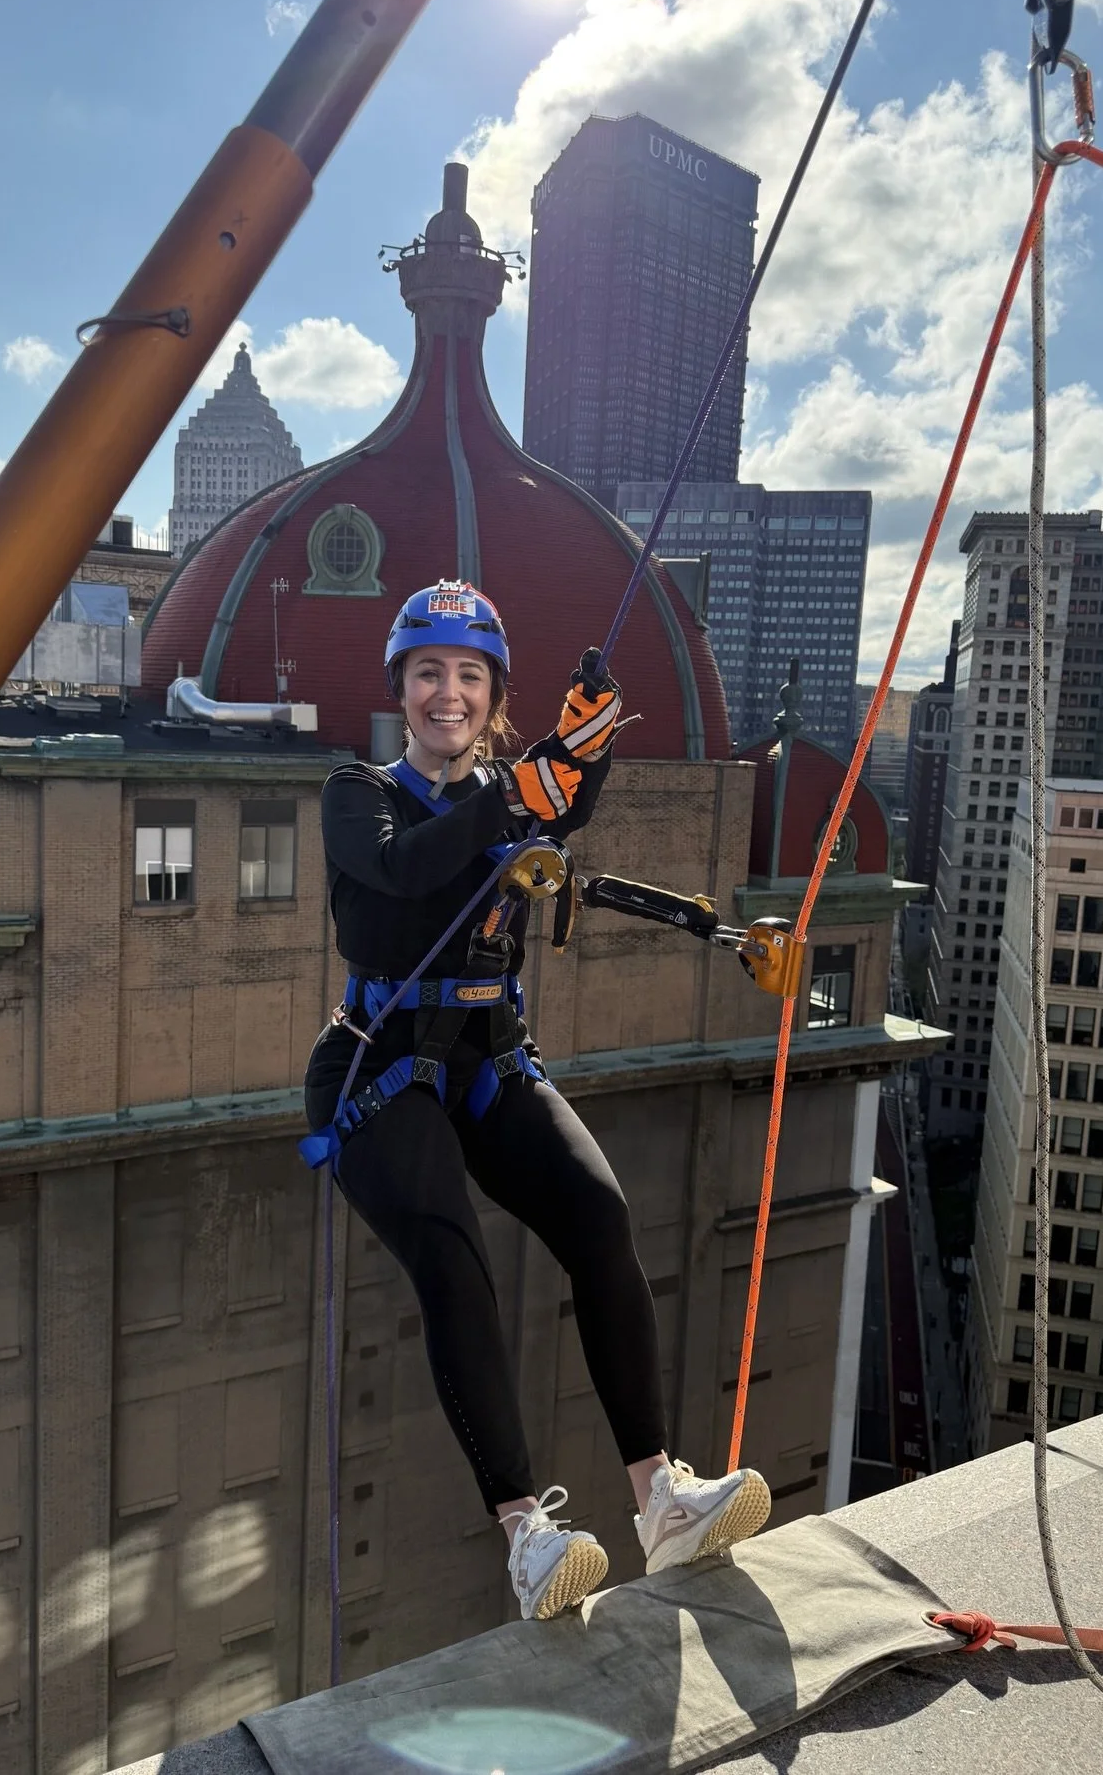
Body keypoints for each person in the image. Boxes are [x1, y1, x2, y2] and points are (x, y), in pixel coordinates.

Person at [302, 579, 770, 1621]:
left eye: (470, 676)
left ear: (491, 693)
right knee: (457, 1266)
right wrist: (521, 789)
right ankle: (527, 1537)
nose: (448, 694)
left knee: (599, 1218)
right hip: (378, 1070)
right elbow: (398, 884)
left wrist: (582, 746)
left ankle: (663, 1502)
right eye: (429, 673)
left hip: (487, 1056)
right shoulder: (357, 793)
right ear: (402, 687)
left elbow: (564, 801)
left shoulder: (510, 788)